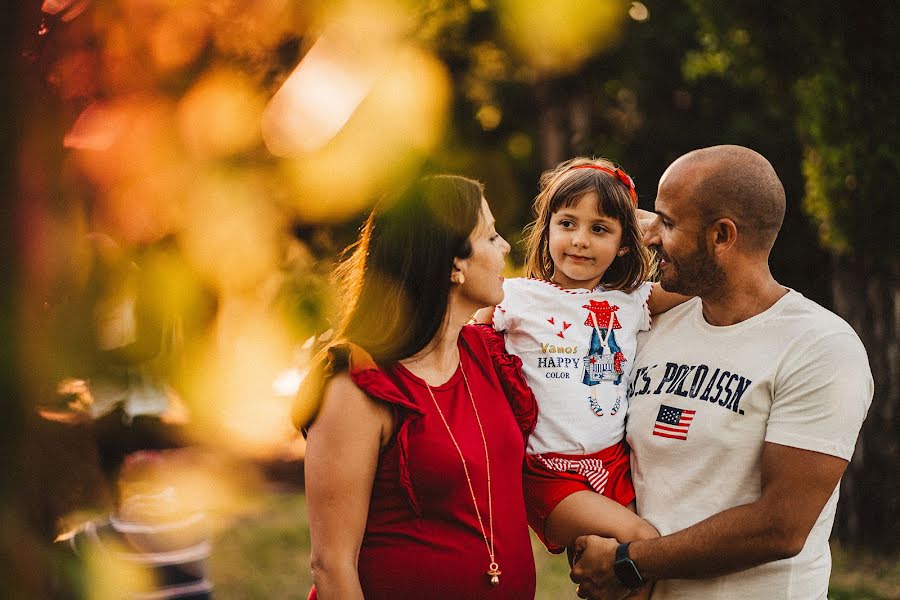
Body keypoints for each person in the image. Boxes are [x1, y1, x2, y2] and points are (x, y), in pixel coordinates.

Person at [569, 145, 873, 599]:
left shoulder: (820, 347)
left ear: (722, 236)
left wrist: (628, 562)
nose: (651, 236)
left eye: (668, 223)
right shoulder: (651, 324)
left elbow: (781, 526)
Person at [300, 175, 539, 599]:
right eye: (491, 235)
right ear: (454, 264)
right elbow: (331, 564)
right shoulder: (358, 384)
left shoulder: (488, 354)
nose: (505, 247)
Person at [473, 158, 687, 598]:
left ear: (625, 243)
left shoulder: (632, 301)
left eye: (600, 229)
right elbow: (454, 336)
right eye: (567, 223)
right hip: (549, 472)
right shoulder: (515, 297)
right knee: (643, 544)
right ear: (547, 227)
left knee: (627, 583)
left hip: (613, 463)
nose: (580, 241)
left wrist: (647, 226)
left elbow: (697, 279)